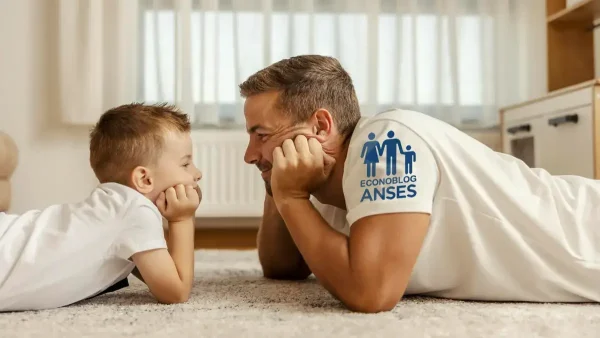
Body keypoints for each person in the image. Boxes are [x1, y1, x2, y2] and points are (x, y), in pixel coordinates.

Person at [238, 54, 600, 313]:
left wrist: (291, 196)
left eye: (262, 135)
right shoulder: (319, 176)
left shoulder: (386, 142)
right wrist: (278, 186)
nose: (249, 154)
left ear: (320, 127)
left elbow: (371, 294)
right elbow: (282, 267)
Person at [0, 103, 202, 312]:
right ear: (144, 179)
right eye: (185, 164)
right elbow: (175, 291)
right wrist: (182, 219)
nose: (197, 173)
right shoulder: (137, 211)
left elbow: (162, 269)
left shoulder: (119, 208)